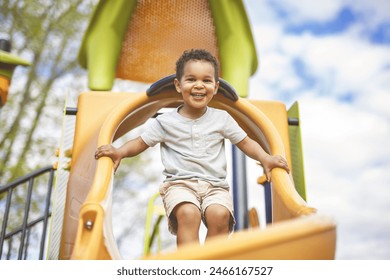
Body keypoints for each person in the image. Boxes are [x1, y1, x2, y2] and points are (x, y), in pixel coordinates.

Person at [95, 49, 290, 247]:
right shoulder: (166, 122)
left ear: (215, 87)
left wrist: (266, 158)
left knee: (220, 216)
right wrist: (119, 152)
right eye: (191, 79)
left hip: (215, 186)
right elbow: (140, 142)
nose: (199, 85)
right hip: (179, 184)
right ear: (178, 85)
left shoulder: (221, 118)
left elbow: (246, 142)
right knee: (189, 214)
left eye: (206, 80)